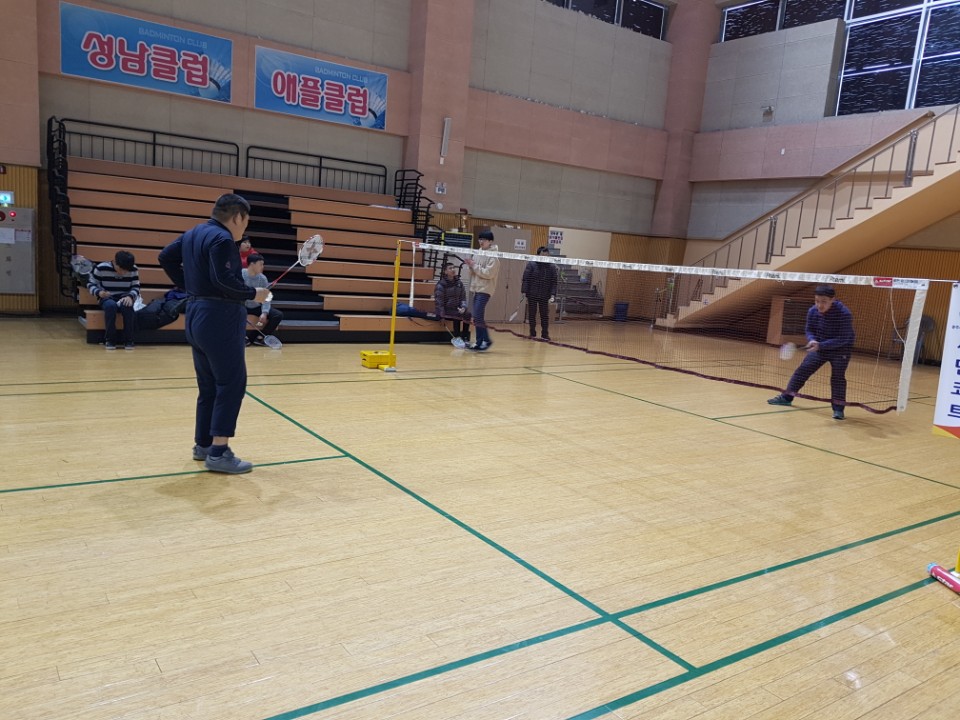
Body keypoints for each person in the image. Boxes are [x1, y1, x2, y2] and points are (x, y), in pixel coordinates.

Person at [158, 194, 270, 474]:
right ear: (237, 217)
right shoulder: (222, 240)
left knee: (208, 385)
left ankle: (204, 445)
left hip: (196, 314)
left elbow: (165, 257)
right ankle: (219, 453)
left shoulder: (193, 233)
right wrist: (253, 293)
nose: (245, 227)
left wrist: (190, 286)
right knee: (231, 383)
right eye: (246, 221)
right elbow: (223, 280)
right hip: (219, 316)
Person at [768, 285, 855, 420]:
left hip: (841, 349)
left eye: (824, 301)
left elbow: (843, 338)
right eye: (817, 301)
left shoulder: (844, 314)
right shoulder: (812, 311)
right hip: (819, 346)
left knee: (837, 378)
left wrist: (821, 345)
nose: (819, 305)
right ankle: (786, 397)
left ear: (832, 300)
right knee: (802, 371)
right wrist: (812, 339)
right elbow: (809, 329)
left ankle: (838, 410)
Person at [87, 250, 140, 350]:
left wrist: (130, 296)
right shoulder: (101, 268)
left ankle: (129, 340)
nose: (124, 273)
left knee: (128, 307)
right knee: (111, 306)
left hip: (125, 297)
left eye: (127, 271)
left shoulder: (133, 269)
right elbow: (90, 284)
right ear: (115, 262)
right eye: (122, 269)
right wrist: (99, 293)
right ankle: (110, 340)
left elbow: (136, 286)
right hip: (107, 297)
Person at [464, 230, 499, 351]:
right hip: (476, 288)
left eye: (484, 239)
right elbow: (473, 272)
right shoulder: (477, 253)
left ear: (490, 241)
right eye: (480, 239)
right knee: (477, 317)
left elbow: (488, 274)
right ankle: (486, 340)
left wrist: (474, 266)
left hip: (485, 289)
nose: (481, 241)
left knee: (477, 316)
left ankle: (479, 342)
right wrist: (470, 265)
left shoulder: (494, 257)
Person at [242, 253, 283, 346]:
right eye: (260, 264)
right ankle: (243, 337)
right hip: (242, 305)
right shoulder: (241, 274)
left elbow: (267, 298)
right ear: (252, 264)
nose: (262, 267)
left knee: (277, 315)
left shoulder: (263, 279)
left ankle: (259, 338)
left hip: (256, 306)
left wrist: (264, 312)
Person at [521, 246, 558, 340]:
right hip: (532, 293)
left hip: (545, 295)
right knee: (532, 314)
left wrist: (553, 294)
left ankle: (545, 334)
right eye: (543, 254)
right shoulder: (531, 264)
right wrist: (524, 291)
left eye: (547, 254)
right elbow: (526, 278)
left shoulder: (551, 266)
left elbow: (554, 282)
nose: (545, 256)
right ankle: (532, 333)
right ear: (538, 255)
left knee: (544, 315)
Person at [434, 262, 471, 345]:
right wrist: (441, 315)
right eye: (450, 268)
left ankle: (465, 337)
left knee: (468, 314)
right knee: (456, 315)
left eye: (454, 268)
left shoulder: (459, 283)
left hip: (457, 308)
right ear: (445, 271)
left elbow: (463, 298)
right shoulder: (441, 285)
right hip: (446, 310)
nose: (453, 270)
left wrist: (463, 307)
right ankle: (457, 337)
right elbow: (439, 302)